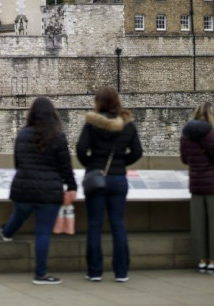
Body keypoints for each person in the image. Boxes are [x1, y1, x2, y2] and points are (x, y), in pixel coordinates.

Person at [0, 97, 77, 285]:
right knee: (42, 232)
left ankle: (7, 232)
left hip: (24, 186)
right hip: (49, 191)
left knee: (19, 214)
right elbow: (65, 166)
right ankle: (40, 275)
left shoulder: (23, 134)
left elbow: (18, 162)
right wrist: (72, 186)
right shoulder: (58, 136)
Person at [76, 86, 143, 283]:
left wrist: (92, 166)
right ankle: (121, 272)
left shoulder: (91, 124)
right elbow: (137, 152)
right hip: (118, 179)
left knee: (94, 224)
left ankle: (94, 271)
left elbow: (81, 149)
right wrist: (121, 164)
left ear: (99, 102)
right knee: (118, 224)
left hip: (96, 178)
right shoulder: (127, 125)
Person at [180, 102, 214, 274]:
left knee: (199, 224)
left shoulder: (186, 137)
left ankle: (201, 260)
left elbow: (185, 159)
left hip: (196, 183)